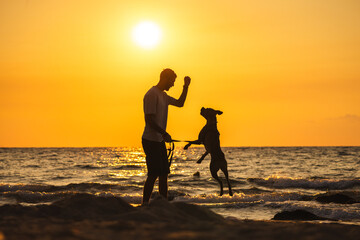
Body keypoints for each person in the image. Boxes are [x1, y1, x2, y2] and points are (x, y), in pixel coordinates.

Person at [141, 68, 191, 205]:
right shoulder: (151, 94)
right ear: (165, 78)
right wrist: (164, 132)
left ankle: (163, 205)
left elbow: (180, 103)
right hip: (150, 140)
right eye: (172, 81)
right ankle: (144, 204)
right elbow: (149, 120)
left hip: (159, 140)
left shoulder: (163, 96)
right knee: (153, 174)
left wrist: (185, 87)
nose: (173, 84)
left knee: (163, 174)